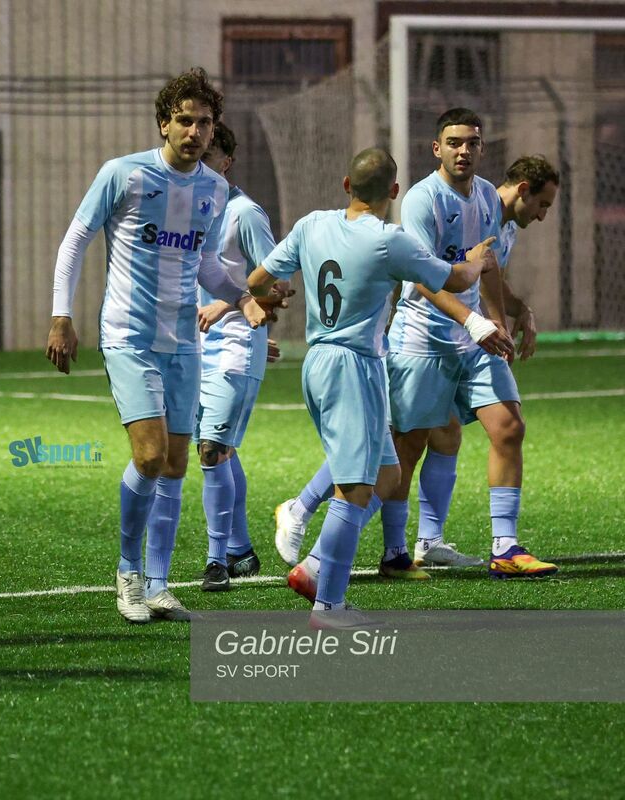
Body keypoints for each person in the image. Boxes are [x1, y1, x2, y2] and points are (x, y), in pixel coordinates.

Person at [273, 155, 558, 584]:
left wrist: (506, 317)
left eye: (474, 142)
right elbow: (431, 277)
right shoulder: (423, 201)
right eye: (543, 204)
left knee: (490, 429)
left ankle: (482, 545)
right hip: (416, 342)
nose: (543, 214)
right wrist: (475, 317)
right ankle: (320, 531)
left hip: (467, 342)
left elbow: (487, 275)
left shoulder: (487, 204)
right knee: (393, 448)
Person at [46, 68, 264, 624]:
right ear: (164, 123)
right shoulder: (124, 174)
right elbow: (74, 243)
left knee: (174, 464)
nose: (194, 131)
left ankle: (160, 585)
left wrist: (243, 297)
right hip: (129, 336)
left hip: (185, 342)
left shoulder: (215, 190)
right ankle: (128, 573)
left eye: (204, 123)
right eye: (184, 120)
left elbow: (206, 265)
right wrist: (61, 315)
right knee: (148, 455)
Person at [247, 147, 498, 627]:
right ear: (395, 192)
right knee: (355, 490)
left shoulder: (311, 224)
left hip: (318, 362)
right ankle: (329, 605)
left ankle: (316, 568)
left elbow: (258, 279)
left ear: (346, 185)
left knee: (385, 476)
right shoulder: (389, 241)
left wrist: (268, 298)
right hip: (353, 367)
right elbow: (455, 278)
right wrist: (476, 260)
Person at [192, 121, 289, 591]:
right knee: (218, 450)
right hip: (193, 348)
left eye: (207, 157)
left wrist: (229, 307)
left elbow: (279, 285)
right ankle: (240, 550)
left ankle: (216, 561)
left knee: (212, 450)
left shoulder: (244, 213)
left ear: (226, 162)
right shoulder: (188, 208)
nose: (197, 164)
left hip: (232, 345)